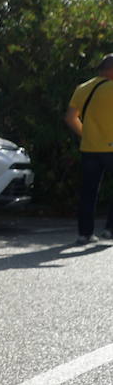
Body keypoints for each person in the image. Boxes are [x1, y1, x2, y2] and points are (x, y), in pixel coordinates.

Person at [63, 54, 113, 244]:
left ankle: (85, 234)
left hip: (90, 148)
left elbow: (70, 118)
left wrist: (86, 134)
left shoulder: (83, 88)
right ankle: (110, 230)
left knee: (88, 192)